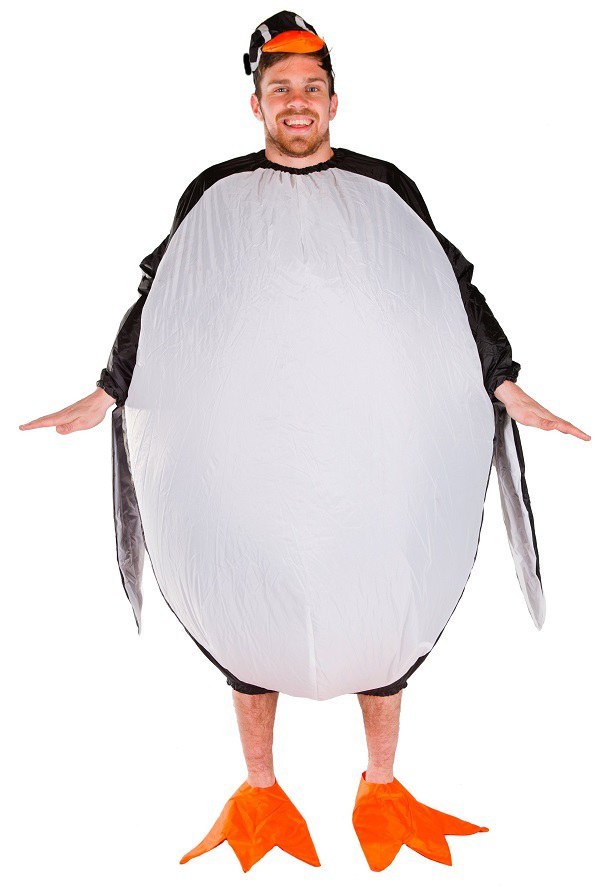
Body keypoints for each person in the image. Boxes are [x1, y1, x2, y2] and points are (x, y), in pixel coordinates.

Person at [19, 9, 591, 874]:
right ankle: (259, 792)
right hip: (250, 447)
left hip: (367, 444)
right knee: (247, 595)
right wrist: (109, 388)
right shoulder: (215, 193)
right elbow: (166, 296)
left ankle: (382, 788)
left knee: (384, 595)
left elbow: (448, 288)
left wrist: (503, 379)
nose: (297, 101)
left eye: (311, 87)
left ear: (334, 101)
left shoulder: (384, 187)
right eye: (280, 88)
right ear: (256, 104)